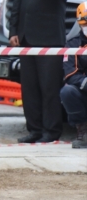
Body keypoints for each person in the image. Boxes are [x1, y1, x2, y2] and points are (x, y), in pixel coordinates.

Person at [9, 0, 66, 143]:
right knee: (29, 89)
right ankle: (34, 130)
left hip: (49, 37)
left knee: (49, 88)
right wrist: (13, 30)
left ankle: (51, 131)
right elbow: (17, 4)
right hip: (26, 38)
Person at [60, 2, 87, 149]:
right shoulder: (72, 44)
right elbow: (70, 74)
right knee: (67, 91)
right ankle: (83, 130)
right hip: (83, 89)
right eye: (85, 23)